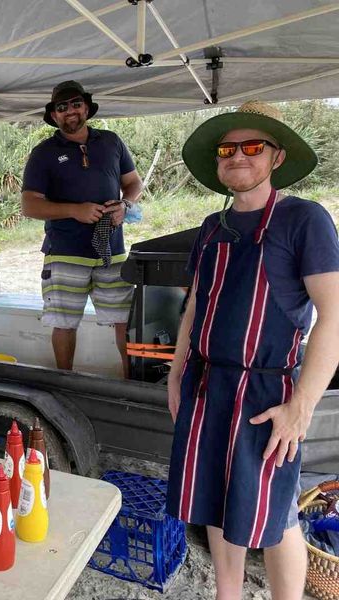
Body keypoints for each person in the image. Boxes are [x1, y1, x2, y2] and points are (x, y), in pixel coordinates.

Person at [166, 101, 339, 600]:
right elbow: (196, 306)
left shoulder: (304, 219)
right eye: (227, 148)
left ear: (276, 157)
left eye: (252, 147)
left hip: (267, 393)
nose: (238, 156)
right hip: (206, 385)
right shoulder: (210, 228)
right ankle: (228, 595)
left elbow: (333, 316)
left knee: (276, 514)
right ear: (218, 162)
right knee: (218, 503)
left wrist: (299, 407)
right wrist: (177, 375)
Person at [21, 80, 143, 376]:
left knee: (124, 320)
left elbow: (134, 183)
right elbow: (30, 206)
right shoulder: (44, 152)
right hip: (65, 252)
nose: (70, 112)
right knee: (63, 323)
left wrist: (125, 206)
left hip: (112, 252)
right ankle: (66, 381)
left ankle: (130, 383)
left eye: (75, 104)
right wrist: (75, 211)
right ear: (53, 116)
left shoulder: (112, 141)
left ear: (86, 107)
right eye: (61, 108)